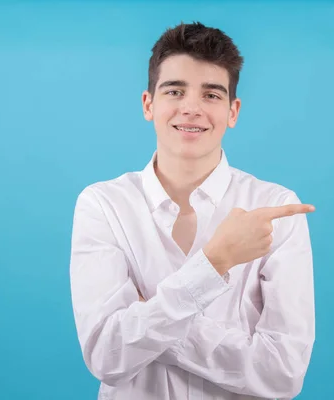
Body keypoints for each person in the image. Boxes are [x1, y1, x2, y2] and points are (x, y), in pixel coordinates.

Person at [69, 21, 316, 400]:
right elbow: (106, 355)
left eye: (211, 95)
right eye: (175, 90)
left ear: (233, 111)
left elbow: (283, 374)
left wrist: (149, 319)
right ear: (148, 104)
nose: (191, 108)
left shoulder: (276, 208)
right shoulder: (103, 205)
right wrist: (215, 262)